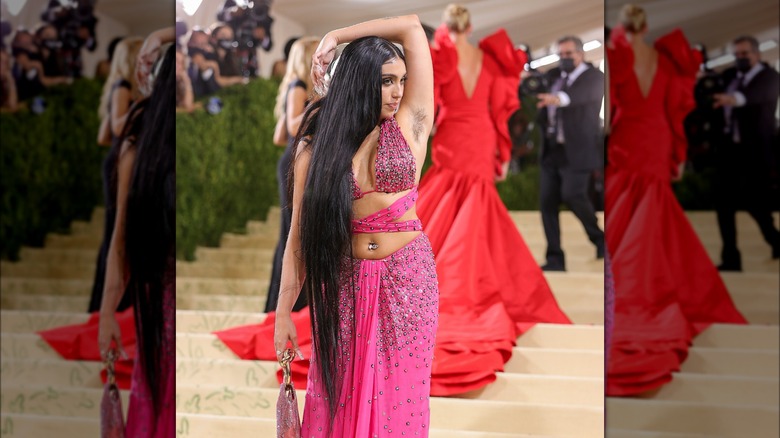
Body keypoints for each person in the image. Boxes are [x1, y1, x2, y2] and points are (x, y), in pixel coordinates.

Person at [272, 15, 437, 436]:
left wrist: (337, 35)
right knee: (339, 391)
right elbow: (297, 242)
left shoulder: (412, 124)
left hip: (408, 280)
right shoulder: (315, 150)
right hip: (343, 283)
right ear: (361, 81)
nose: (399, 91)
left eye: (401, 79)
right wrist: (283, 313)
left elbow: (412, 28)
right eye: (386, 81)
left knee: (401, 396)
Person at [416, 4, 570, 394]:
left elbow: (429, 107)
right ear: (471, 26)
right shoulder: (489, 57)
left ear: (447, 27)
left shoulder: (441, 54)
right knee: (474, 206)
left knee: (442, 202)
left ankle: (446, 279)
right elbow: (499, 108)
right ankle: (472, 278)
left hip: (453, 133)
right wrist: (501, 152)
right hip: (481, 135)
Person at [605, 4, 746, 396]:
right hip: (656, 138)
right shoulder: (667, 62)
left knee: (626, 209)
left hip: (631, 136)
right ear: (646, 26)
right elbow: (675, 112)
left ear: (621, 26)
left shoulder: (619, 55)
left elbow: (613, 105)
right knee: (654, 209)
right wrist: (678, 153)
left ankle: (633, 281)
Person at [98, 30, 176, 436]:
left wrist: (165, 35)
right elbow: (120, 241)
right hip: (159, 301)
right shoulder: (138, 150)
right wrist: (108, 312)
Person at [536, 35, 605, 271]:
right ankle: (555, 258)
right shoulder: (553, 75)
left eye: (569, 54)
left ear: (581, 54)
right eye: (561, 55)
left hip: (579, 150)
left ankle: (600, 238)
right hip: (552, 149)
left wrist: (556, 99)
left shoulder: (595, 77)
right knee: (547, 202)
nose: (564, 59)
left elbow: (579, 98)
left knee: (574, 196)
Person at [712, 35, 780, 271]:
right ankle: (731, 258)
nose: (740, 59)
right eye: (737, 54)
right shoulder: (730, 76)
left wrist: (730, 99)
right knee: (724, 205)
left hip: (756, 153)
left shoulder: (770, 77)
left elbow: (750, 98)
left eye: (744, 54)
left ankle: (776, 241)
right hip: (730, 151)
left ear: (756, 54)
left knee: (756, 205)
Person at [88, 36, 143, 313]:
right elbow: (120, 127)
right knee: (116, 231)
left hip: (115, 157)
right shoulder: (123, 87)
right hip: (121, 161)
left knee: (115, 230)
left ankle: (108, 301)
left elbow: (103, 135)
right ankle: (112, 303)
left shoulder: (118, 86)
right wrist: (143, 106)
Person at [264, 36, 319, 313]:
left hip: (293, 159)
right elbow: (295, 123)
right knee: (292, 233)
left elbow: (279, 135)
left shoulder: (295, 86)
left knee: (291, 231)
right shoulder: (299, 86)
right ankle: (290, 305)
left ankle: (284, 304)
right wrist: (321, 102)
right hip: (295, 164)